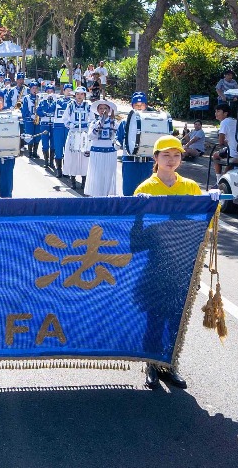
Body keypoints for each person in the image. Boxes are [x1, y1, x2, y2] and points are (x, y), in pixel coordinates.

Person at [133, 135, 208, 390]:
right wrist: (140, 210)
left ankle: (170, 364)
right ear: (155, 158)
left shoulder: (190, 187)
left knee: (176, 318)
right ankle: (152, 365)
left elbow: (204, 221)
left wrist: (213, 200)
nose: (171, 160)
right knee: (155, 316)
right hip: (156, 263)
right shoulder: (145, 189)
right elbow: (136, 236)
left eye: (176, 155)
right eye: (166, 155)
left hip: (182, 265)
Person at [117, 92, 155, 196]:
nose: (139, 107)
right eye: (136, 105)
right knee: (129, 192)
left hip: (147, 162)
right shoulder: (125, 122)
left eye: (142, 105)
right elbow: (118, 139)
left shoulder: (151, 121)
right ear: (132, 105)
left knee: (148, 193)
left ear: (146, 106)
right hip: (130, 161)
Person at [84, 99, 119, 197]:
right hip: (97, 152)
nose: (103, 110)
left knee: (108, 175)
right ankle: (96, 197)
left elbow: (117, 137)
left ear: (109, 110)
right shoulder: (94, 123)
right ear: (97, 110)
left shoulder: (114, 123)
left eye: (105, 108)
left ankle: (106, 196)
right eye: (100, 108)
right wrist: (98, 127)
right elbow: (90, 136)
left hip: (110, 153)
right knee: (97, 176)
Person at [62, 87, 90, 190]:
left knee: (84, 157)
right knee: (73, 156)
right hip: (73, 134)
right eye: (78, 94)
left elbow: (91, 119)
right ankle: (73, 180)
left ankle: (84, 180)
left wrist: (87, 126)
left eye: (82, 94)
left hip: (84, 134)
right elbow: (65, 119)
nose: (79, 96)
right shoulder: (70, 105)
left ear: (84, 95)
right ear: (75, 95)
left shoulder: (88, 106)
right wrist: (71, 125)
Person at [212, 103, 238, 176]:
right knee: (227, 153)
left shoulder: (224, 122)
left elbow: (220, 142)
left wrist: (225, 142)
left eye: (218, 111)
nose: (216, 113)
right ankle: (223, 178)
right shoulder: (234, 121)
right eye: (215, 111)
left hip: (234, 152)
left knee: (215, 155)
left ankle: (218, 179)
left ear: (225, 113)